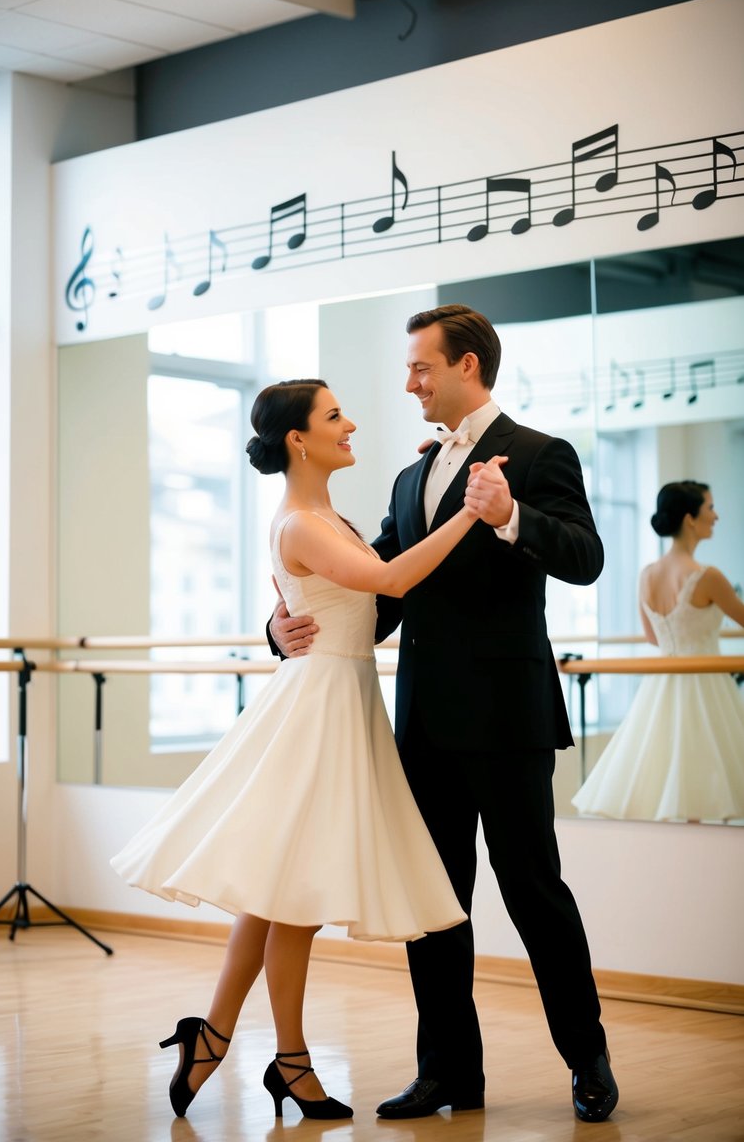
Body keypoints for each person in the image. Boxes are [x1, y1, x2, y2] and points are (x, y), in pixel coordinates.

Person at [111, 378, 505, 1123]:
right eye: (333, 416)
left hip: (338, 699)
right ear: (298, 438)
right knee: (287, 897)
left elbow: (353, 595)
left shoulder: (327, 516)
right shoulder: (300, 521)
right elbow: (390, 579)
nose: (349, 423)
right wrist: (469, 513)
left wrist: (280, 617)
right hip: (318, 709)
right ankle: (282, 1059)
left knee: (275, 895)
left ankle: (224, 1038)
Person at [270, 305, 619, 1124]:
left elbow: (586, 557)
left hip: (508, 718)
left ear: (467, 366)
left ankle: (588, 1060)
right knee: (433, 904)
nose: (408, 383)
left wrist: (509, 517)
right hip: (421, 723)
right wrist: (287, 626)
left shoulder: (541, 454)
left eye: (421, 367)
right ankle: (448, 1073)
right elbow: (382, 592)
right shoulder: (407, 476)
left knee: (535, 893)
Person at [572, 480, 744, 822]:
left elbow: (652, 637)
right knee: (704, 771)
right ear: (690, 519)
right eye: (710, 508)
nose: (716, 515)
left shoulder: (647, 574)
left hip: (661, 683)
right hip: (706, 683)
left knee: (663, 770)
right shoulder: (707, 576)